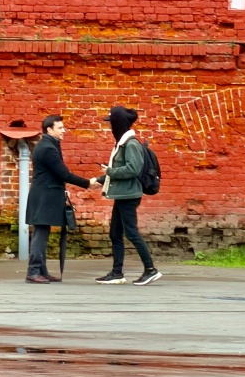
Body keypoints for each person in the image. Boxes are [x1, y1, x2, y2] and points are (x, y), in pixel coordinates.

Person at [25, 114, 97, 284]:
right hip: (44, 195)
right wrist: (88, 183)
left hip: (44, 194)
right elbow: (63, 173)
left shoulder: (49, 145)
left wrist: (63, 190)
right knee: (41, 233)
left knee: (42, 231)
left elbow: (55, 174)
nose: (64, 130)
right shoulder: (48, 148)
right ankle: (33, 271)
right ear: (49, 130)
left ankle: (41, 271)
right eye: (60, 128)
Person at [95, 106, 162, 287]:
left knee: (131, 233)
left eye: (112, 123)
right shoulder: (123, 143)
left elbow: (133, 169)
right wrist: (100, 179)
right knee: (115, 233)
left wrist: (109, 171)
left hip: (129, 195)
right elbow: (121, 170)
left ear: (118, 124)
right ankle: (117, 273)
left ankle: (150, 270)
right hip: (122, 194)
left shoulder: (131, 144)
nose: (110, 127)